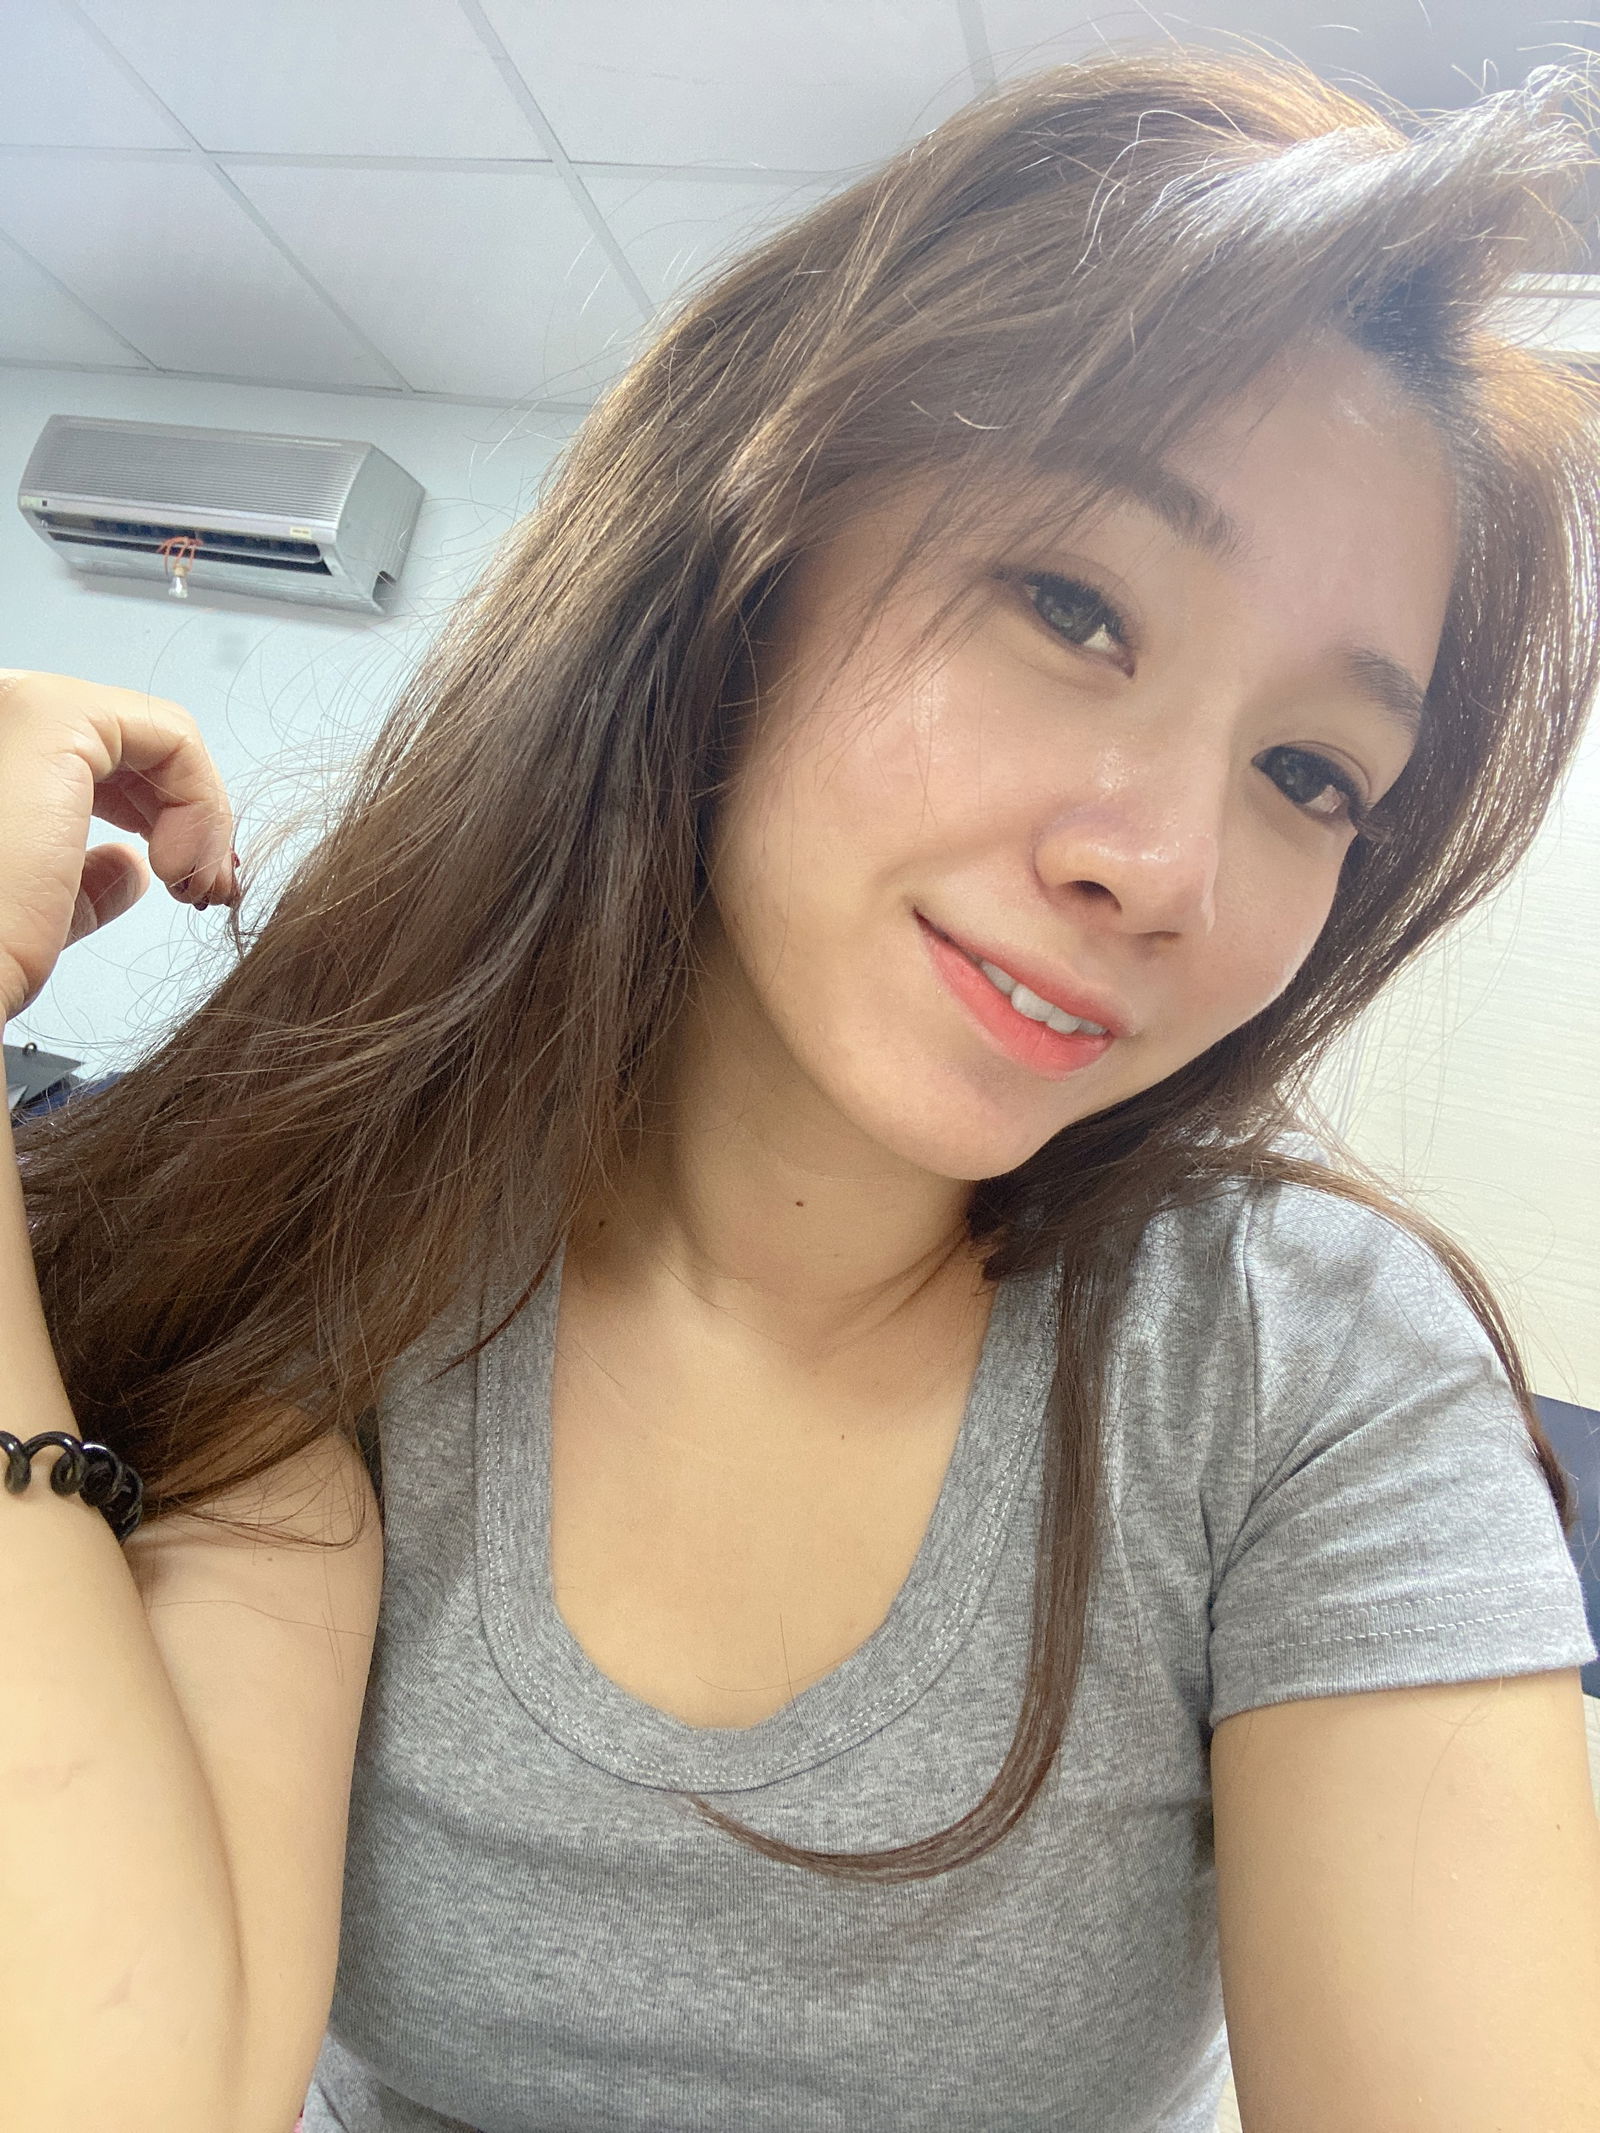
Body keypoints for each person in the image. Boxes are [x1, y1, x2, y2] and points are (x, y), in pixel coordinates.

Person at [3, 43, 1599, 2133]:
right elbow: (123, 2082)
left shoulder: (1295, 1371)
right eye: (1074, 606)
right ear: (748, 553)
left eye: (1309, 771)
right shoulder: (358, 1236)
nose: (1168, 870)